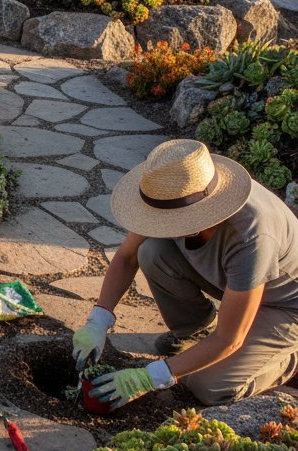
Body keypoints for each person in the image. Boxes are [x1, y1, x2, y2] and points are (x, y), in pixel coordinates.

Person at [71, 138, 298, 409]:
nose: (163, 225)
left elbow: (229, 338)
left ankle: (286, 360)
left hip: (284, 306)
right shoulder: (176, 189)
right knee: (152, 251)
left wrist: (150, 377)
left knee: (207, 386)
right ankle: (195, 328)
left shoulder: (251, 236)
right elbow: (126, 256)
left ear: (197, 215)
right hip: (235, 285)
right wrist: (98, 319)